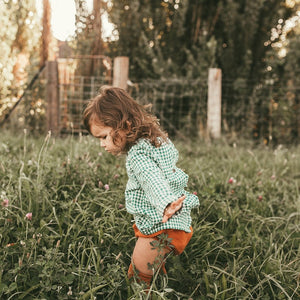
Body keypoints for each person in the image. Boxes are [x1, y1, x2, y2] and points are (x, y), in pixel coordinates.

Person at [83, 86, 199, 290]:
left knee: (138, 275)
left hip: (160, 226)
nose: (102, 145)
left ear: (125, 126)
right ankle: (161, 286)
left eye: (104, 137)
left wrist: (166, 203)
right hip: (173, 220)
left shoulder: (138, 156)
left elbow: (153, 180)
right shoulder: (156, 140)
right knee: (152, 266)